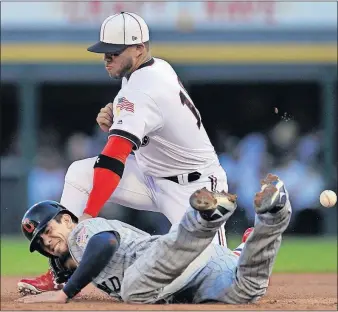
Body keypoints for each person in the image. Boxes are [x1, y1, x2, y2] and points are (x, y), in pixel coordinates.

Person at [18, 11, 229, 293]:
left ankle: (244, 249)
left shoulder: (141, 88)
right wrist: (118, 113)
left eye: (114, 52)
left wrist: (89, 216)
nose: (107, 59)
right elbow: (147, 113)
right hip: (151, 176)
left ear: (140, 48)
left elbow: (113, 160)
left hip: (194, 189)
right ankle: (61, 273)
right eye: (104, 52)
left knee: (213, 277)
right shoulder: (148, 71)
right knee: (80, 173)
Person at [17, 174, 291, 304]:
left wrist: (65, 293)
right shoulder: (72, 257)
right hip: (199, 272)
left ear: (66, 219)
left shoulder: (81, 232)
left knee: (133, 290)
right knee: (248, 291)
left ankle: (205, 218)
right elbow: (74, 267)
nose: (47, 241)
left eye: (48, 231)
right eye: (40, 242)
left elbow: (106, 243)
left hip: (163, 262)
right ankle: (273, 216)